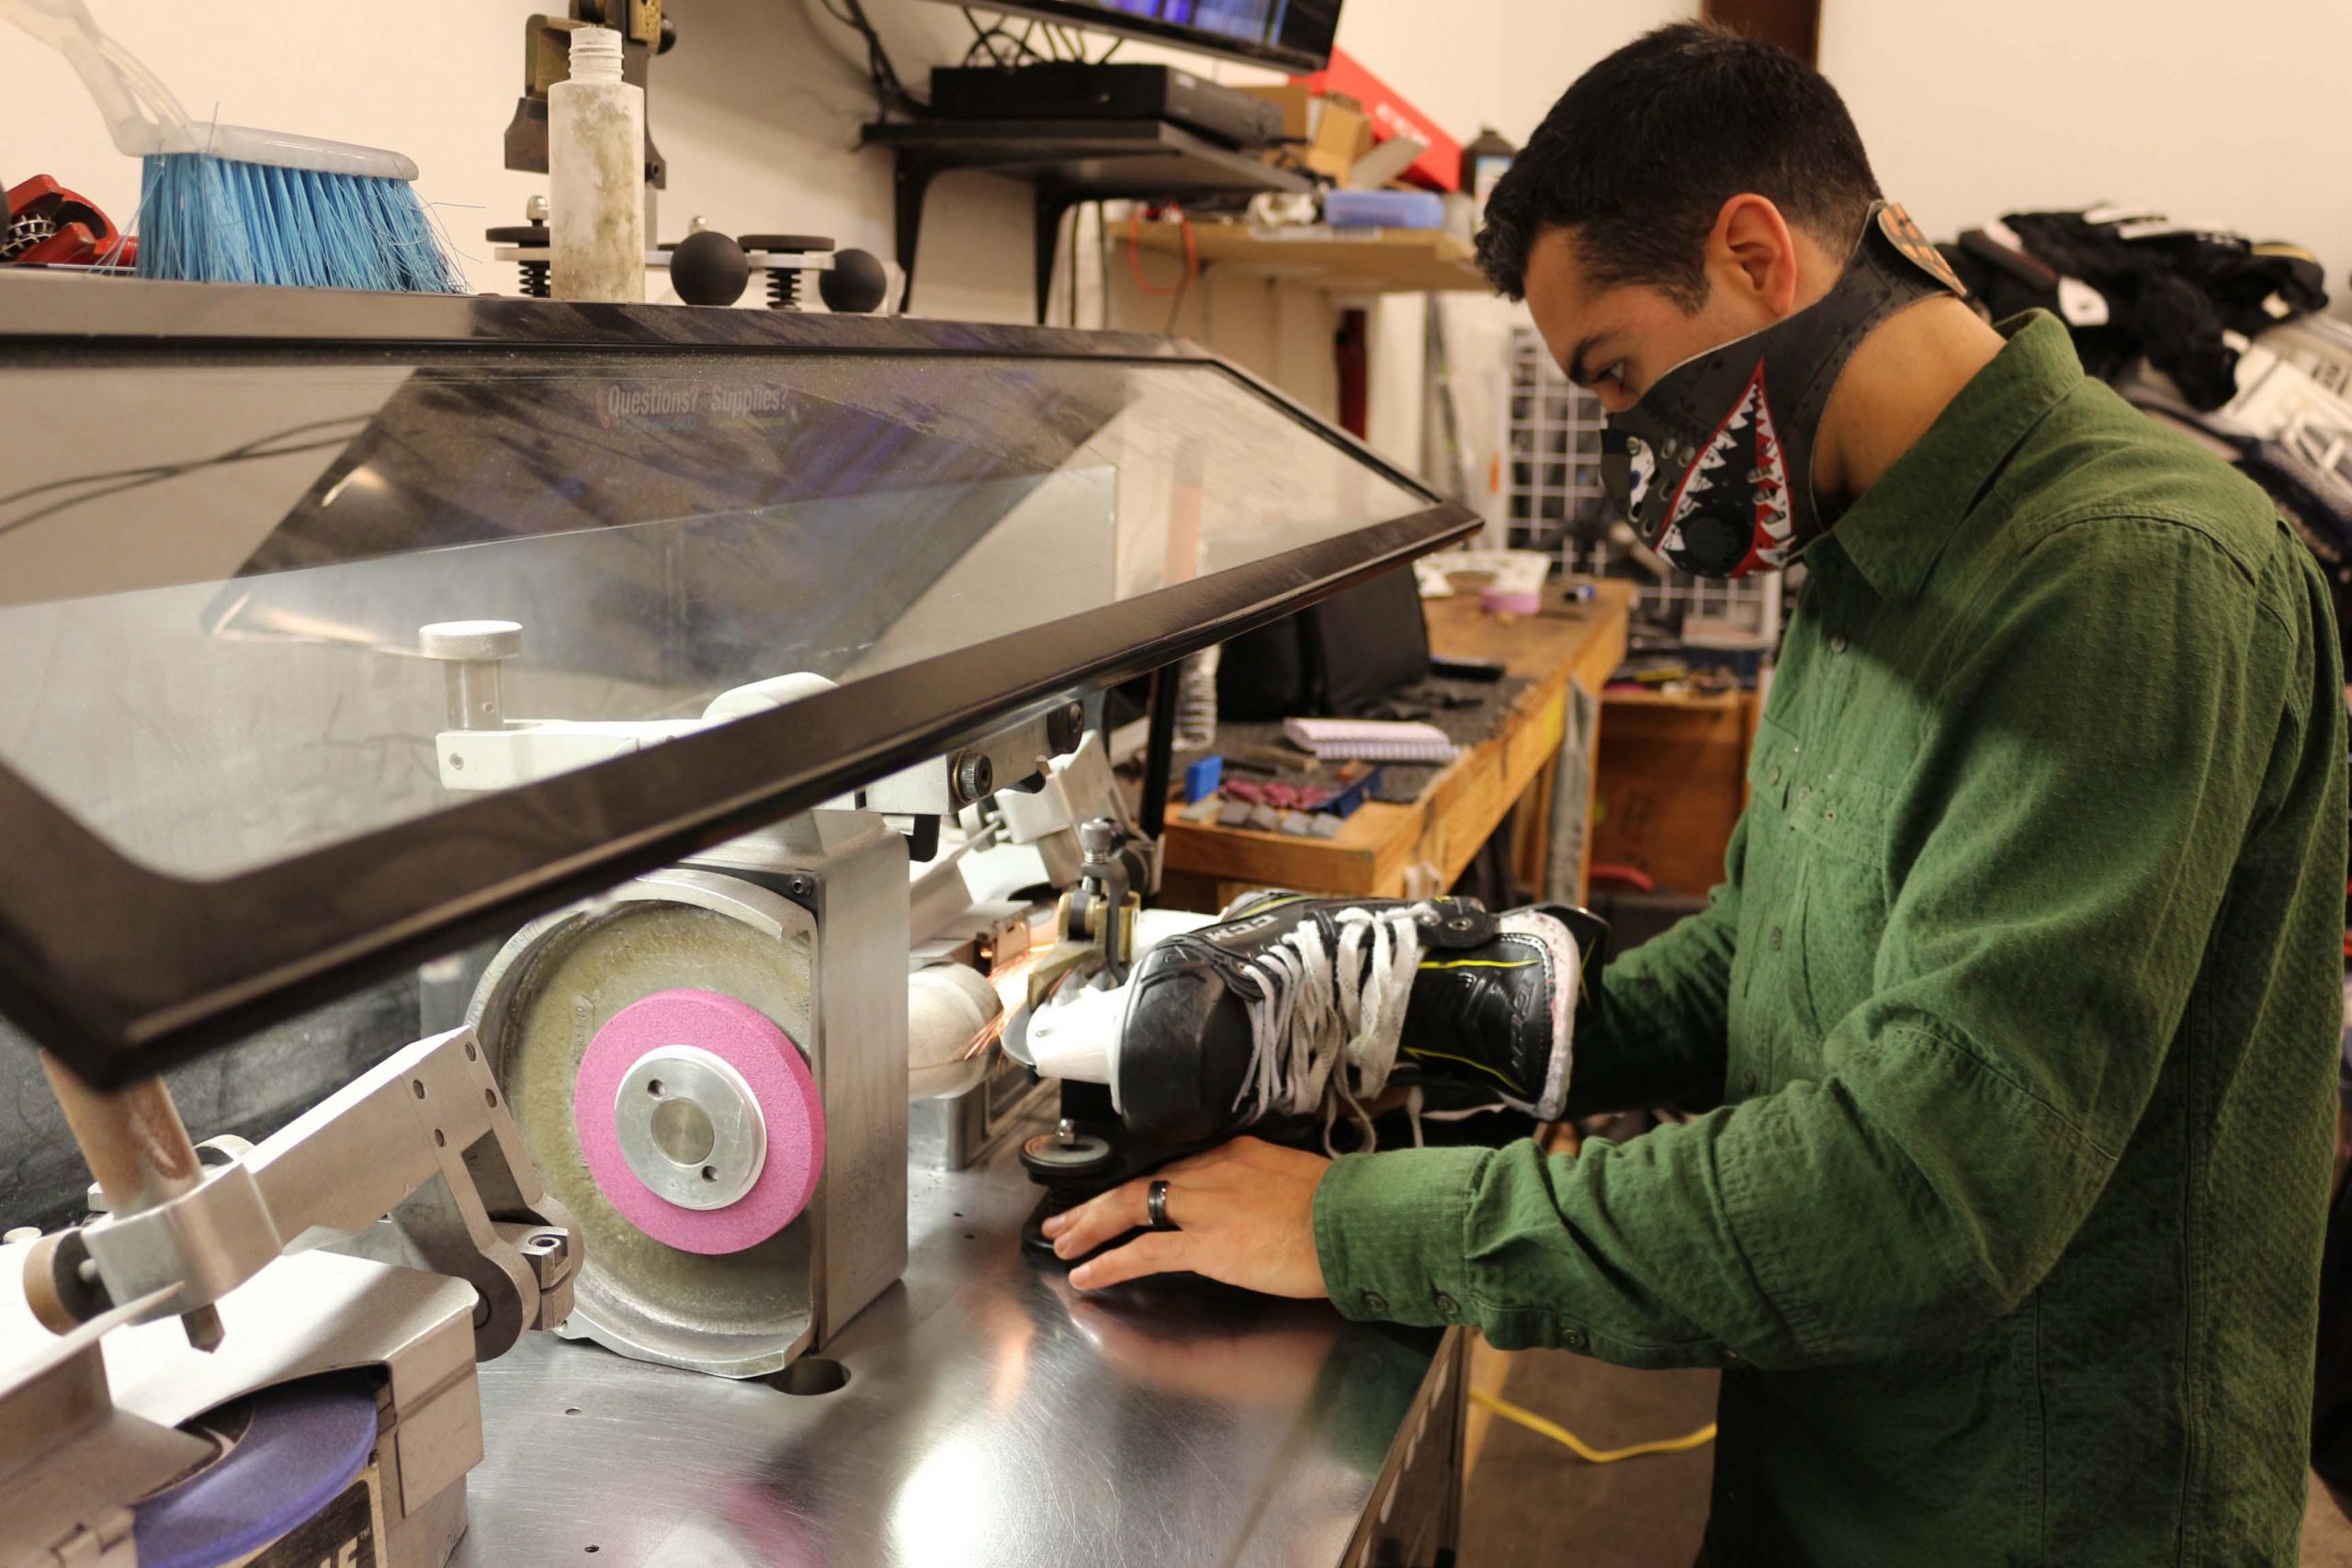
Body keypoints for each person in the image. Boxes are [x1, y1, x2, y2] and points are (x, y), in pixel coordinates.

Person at [1045, 22, 2347, 1565]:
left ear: (1753, 254)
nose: (1628, 453)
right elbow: (1775, 954)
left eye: (1620, 379)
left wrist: (1355, 1232)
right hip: (1825, 1451)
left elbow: (1921, 1196)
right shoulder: (1862, 552)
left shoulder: (2126, 581)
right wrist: (1470, 1001)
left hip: (2035, 1512)